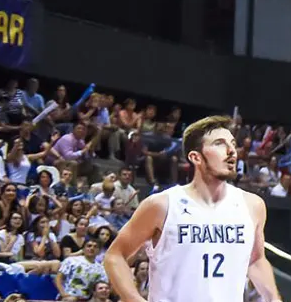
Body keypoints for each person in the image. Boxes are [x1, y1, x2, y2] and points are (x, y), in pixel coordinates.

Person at [104, 116, 280, 302]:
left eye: (233, 144)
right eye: (219, 144)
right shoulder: (162, 205)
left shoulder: (253, 205)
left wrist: (274, 299)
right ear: (195, 157)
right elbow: (115, 256)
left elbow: (256, 260)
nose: (231, 151)